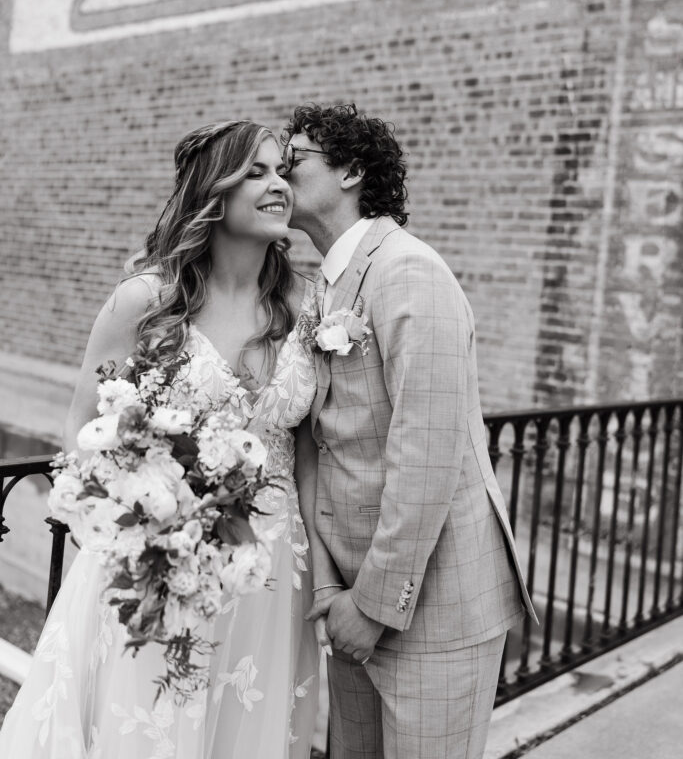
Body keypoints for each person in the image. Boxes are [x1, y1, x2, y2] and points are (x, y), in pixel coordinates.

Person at [0, 120, 324, 759]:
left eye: (279, 171)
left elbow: (308, 453)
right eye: (254, 173)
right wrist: (143, 530)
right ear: (215, 193)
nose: (277, 185)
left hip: (273, 566)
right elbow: (82, 433)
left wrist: (329, 579)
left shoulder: (306, 305)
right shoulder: (147, 300)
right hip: (159, 561)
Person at [282, 103, 537, 759]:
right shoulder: (323, 288)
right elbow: (317, 442)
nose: (279, 174)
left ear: (352, 171)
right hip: (347, 602)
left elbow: (427, 452)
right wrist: (329, 590)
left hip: (433, 606)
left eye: (296, 158)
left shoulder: (409, 272)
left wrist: (371, 606)